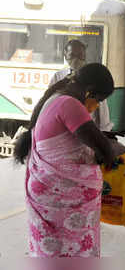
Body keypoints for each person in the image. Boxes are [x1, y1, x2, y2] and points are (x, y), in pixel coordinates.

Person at [14, 63, 117, 257]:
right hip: (61, 202)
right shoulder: (70, 104)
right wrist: (109, 147)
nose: (96, 106)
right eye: (99, 100)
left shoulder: (56, 98)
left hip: (48, 195)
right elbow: (105, 151)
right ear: (90, 91)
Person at [50, 39, 113, 132]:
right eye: (72, 55)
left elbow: (102, 108)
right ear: (65, 55)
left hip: (89, 129)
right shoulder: (58, 76)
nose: (76, 59)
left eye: (80, 55)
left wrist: (105, 131)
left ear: (85, 56)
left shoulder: (94, 77)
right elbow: (50, 102)